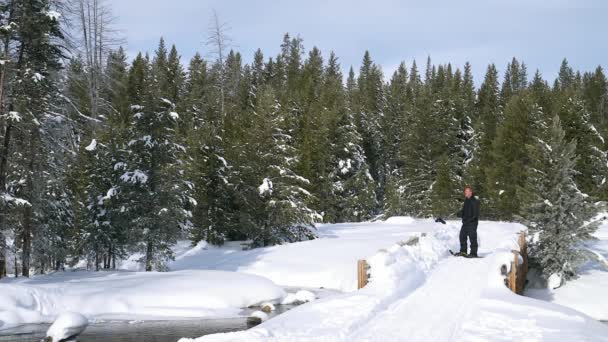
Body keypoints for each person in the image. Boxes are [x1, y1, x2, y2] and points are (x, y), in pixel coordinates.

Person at [455, 185, 480, 258]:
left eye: (468, 191)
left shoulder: (475, 201)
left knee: (472, 237)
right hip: (465, 223)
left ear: (471, 192)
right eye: (466, 192)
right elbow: (464, 211)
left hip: (472, 222)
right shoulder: (466, 200)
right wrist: (460, 213)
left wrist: (469, 220)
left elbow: (475, 214)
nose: (467, 193)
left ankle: (473, 253)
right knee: (462, 236)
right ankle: (463, 251)